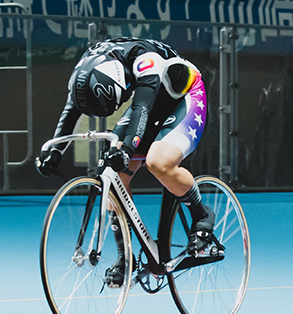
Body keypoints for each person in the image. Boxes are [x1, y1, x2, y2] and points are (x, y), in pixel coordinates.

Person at [35, 37, 214, 285]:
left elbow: (141, 108)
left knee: (158, 161)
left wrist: (128, 149)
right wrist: (54, 151)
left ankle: (202, 215)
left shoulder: (145, 61)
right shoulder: (85, 70)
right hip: (149, 99)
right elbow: (71, 110)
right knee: (113, 172)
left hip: (183, 96)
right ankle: (125, 255)